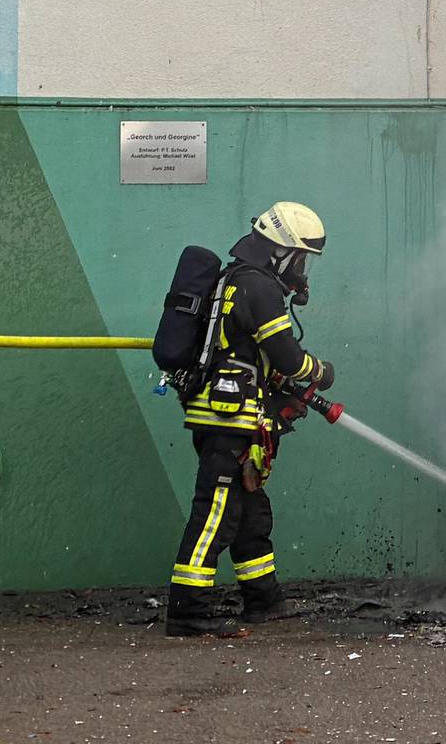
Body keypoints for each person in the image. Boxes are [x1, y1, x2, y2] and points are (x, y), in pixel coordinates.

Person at [168, 201, 337, 637]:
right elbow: (287, 354)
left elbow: (252, 354)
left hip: (235, 419)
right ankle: (188, 610)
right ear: (281, 251)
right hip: (228, 420)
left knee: (249, 511)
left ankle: (263, 600)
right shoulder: (257, 287)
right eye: (301, 259)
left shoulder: (237, 281)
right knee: (216, 513)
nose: (302, 270)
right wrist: (320, 372)